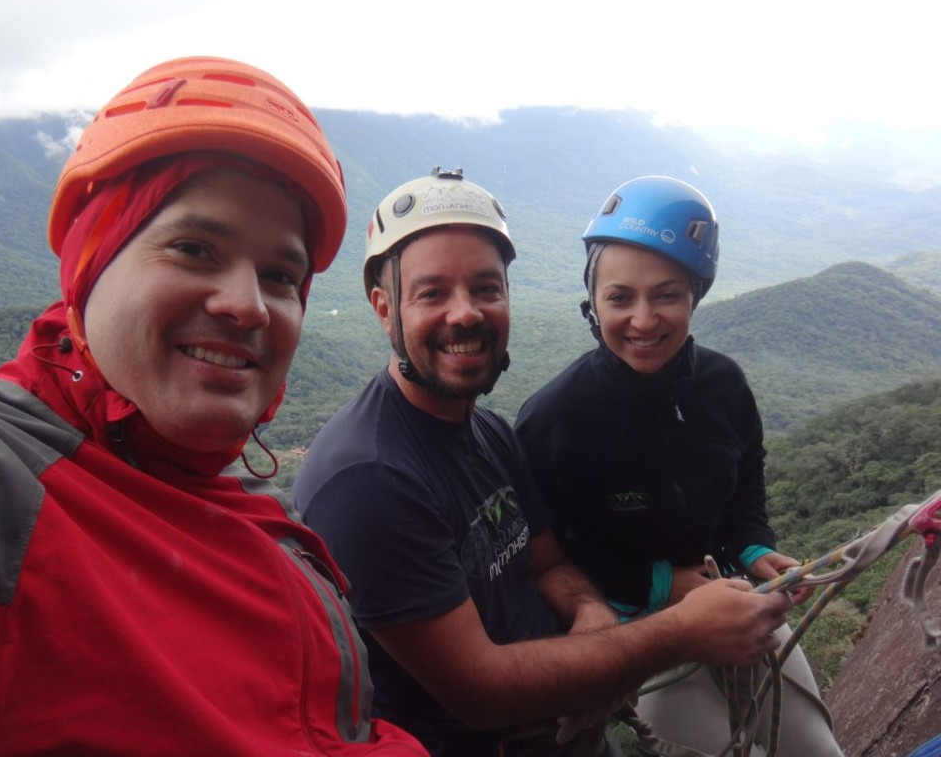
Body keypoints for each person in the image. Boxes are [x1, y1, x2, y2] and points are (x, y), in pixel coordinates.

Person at [0, 56, 429, 756]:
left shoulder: (263, 515)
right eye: (193, 248)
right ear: (90, 263)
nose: (247, 304)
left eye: (281, 275)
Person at [291, 167, 795, 757]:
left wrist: (591, 612)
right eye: (432, 293)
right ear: (384, 308)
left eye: (486, 288)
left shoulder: (488, 431)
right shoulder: (369, 479)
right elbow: (481, 692)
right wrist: (679, 629)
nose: (466, 314)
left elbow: (548, 561)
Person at [515, 175, 843, 756]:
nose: (644, 319)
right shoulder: (555, 419)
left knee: (815, 750)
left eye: (666, 295)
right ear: (592, 300)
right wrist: (662, 585)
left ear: (695, 295)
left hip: (729, 589)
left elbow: (745, 480)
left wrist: (751, 546)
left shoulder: (722, 386)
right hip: (639, 628)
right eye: (620, 298)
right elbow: (552, 552)